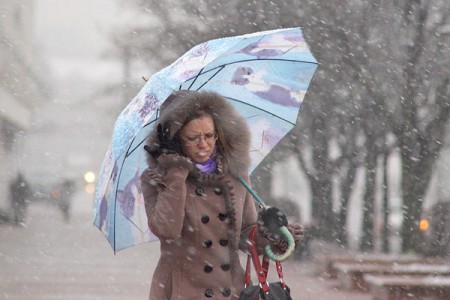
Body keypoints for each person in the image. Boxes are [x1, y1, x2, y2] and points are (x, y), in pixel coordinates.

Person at [140, 90, 303, 299]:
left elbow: (246, 233)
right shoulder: (157, 177)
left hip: (230, 291)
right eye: (192, 138)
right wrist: (175, 169)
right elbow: (167, 230)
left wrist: (273, 236)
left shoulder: (235, 173)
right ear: (176, 139)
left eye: (209, 135)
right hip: (183, 291)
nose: (203, 144)